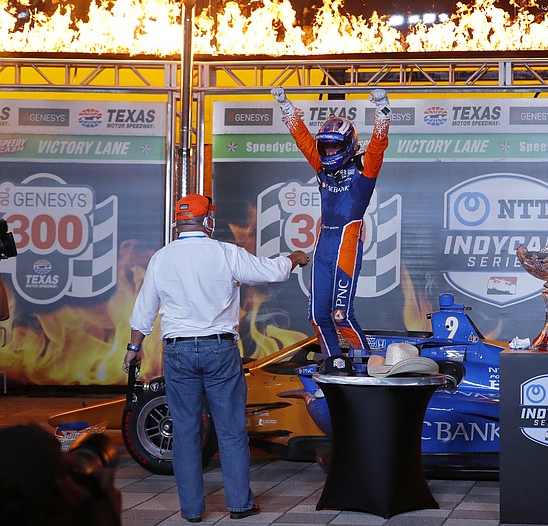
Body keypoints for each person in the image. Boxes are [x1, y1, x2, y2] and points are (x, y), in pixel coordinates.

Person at [123, 193, 308, 523]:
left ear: (179, 223)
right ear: (207, 220)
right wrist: (292, 259)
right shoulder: (225, 253)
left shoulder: (162, 258)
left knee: (186, 432)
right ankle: (239, 505)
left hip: (178, 350)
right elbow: (270, 271)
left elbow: (144, 311)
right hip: (220, 349)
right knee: (231, 431)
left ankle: (192, 511)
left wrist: (134, 348)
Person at [270, 86, 391, 374]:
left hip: (347, 245)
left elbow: (378, 145)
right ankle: (334, 364)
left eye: (335, 146)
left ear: (348, 144)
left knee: (341, 315)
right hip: (323, 246)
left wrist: (383, 109)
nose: (329, 151)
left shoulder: (365, 172)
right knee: (316, 315)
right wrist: (286, 107)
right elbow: (303, 141)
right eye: (325, 146)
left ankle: (367, 367)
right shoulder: (321, 166)